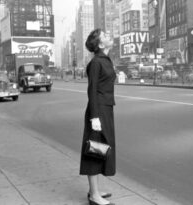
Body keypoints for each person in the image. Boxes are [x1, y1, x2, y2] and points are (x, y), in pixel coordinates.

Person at [80, 28, 116, 205]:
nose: (110, 36)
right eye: (106, 36)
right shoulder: (96, 63)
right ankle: (94, 196)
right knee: (94, 149)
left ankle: (94, 190)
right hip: (98, 111)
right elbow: (91, 91)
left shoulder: (105, 60)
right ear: (101, 44)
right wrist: (94, 117)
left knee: (101, 148)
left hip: (106, 109)